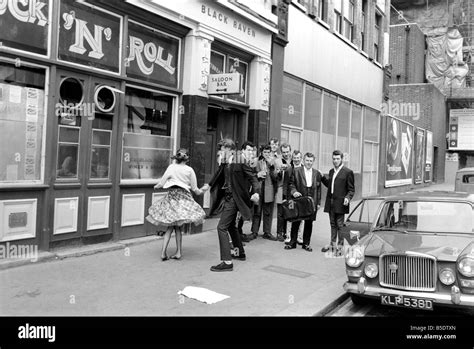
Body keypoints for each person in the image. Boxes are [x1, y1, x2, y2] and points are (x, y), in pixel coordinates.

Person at [146, 149, 209, 261]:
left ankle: (164, 252)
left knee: (170, 226)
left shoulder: (171, 167)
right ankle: (178, 252)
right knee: (178, 227)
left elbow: (161, 183)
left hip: (171, 198)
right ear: (187, 158)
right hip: (183, 198)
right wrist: (204, 189)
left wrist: (156, 186)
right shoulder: (189, 170)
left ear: (176, 157)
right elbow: (195, 190)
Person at [208, 139, 260, 272]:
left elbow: (253, 178)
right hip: (228, 197)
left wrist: (256, 193)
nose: (220, 152)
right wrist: (208, 185)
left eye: (223, 149)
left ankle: (227, 261)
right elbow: (218, 174)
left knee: (221, 227)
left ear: (231, 150)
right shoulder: (226, 162)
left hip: (235, 199)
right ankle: (239, 252)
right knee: (230, 225)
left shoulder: (240, 161)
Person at [284, 152, 322, 252]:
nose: (309, 162)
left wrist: (318, 203)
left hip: (312, 200)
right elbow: (291, 184)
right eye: (307, 160)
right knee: (296, 220)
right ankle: (292, 242)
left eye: (311, 161)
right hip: (300, 199)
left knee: (309, 223)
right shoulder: (296, 171)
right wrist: (294, 191)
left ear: (313, 162)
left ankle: (306, 244)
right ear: (303, 161)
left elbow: (319, 189)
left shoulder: (317, 173)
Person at [321, 150, 355, 256]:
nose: (335, 161)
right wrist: (322, 177)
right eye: (334, 159)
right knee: (332, 224)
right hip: (330, 201)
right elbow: (330, 185)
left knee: (340, 225)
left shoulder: (348, 172)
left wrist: (347, 198)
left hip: (341, 202)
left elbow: (351, 189)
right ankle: (332, 246)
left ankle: (340, 248)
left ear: (341, 159)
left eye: (337, 159)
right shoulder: (331, 171)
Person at [248, 145, 278, 241]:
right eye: (265, 152)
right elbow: (250, 175)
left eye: (269, 152)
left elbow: (276, 177)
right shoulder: (255, 161)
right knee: (257, 211)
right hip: (259, 189)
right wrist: (258, 174)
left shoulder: (273, 162)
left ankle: (267, 232)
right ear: (261, 152)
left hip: (269, 189)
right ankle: (254, 232)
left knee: (268, 211)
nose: (267, 154)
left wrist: (272, 166)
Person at [275, 143, 293, 242]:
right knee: (280, 212)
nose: (286, 154)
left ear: (290, 151)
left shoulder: (293, 161)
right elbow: (274, 176)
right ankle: (279, 233)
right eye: (284, 152)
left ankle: (287, 233)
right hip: (281, 188)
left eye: (287, 152)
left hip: (290, 190)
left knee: (289, 211)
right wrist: (279, 172)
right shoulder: (277, 161)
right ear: (281, 152)